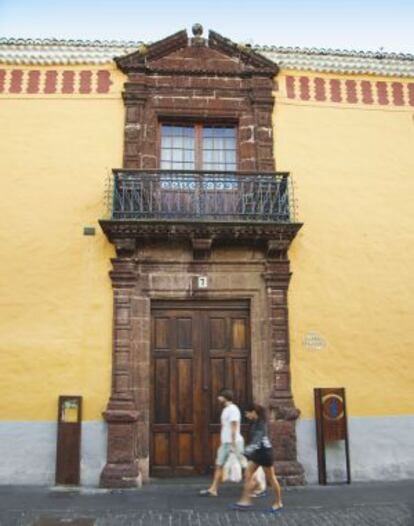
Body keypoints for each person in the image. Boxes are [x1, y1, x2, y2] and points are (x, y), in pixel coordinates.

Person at [232, 403, 283, 513]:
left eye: (247, 413)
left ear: (254, 412)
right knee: (248, 474)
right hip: (257, 453)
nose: (246, 416)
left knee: (272, 479)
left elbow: (258, 439)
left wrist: (247, 451)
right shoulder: (255, 422)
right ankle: (245, 501)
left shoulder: (261, 423)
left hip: (265, 454)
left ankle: (278, 502)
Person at [200, 388, 244, 497]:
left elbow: (234, 427)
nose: (218, 398)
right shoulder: (226, 409)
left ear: (224, 397)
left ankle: (256, 486)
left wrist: (233, 445)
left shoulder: (233, 409)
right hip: (226, 442)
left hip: (233, 442)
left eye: (219, 396)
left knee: (245, 465)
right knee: (219, 464)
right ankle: (213, 489)